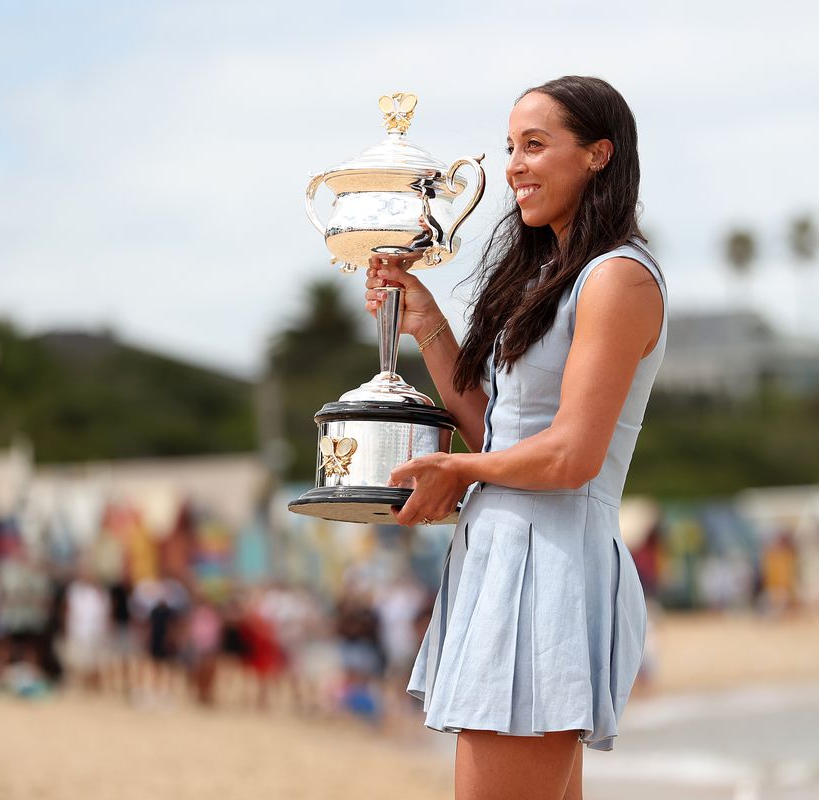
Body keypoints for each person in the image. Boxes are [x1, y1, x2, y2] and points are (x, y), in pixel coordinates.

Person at [363, 75, 666, 800]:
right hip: (502, 558)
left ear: (599, 154)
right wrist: (427, 322)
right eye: (510, 148)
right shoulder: (552, 278)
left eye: (535, 145)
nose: (514, 166)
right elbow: (495, 428)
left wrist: (462, 471)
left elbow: (572, 456)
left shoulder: (617, 277)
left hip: (550, 566)